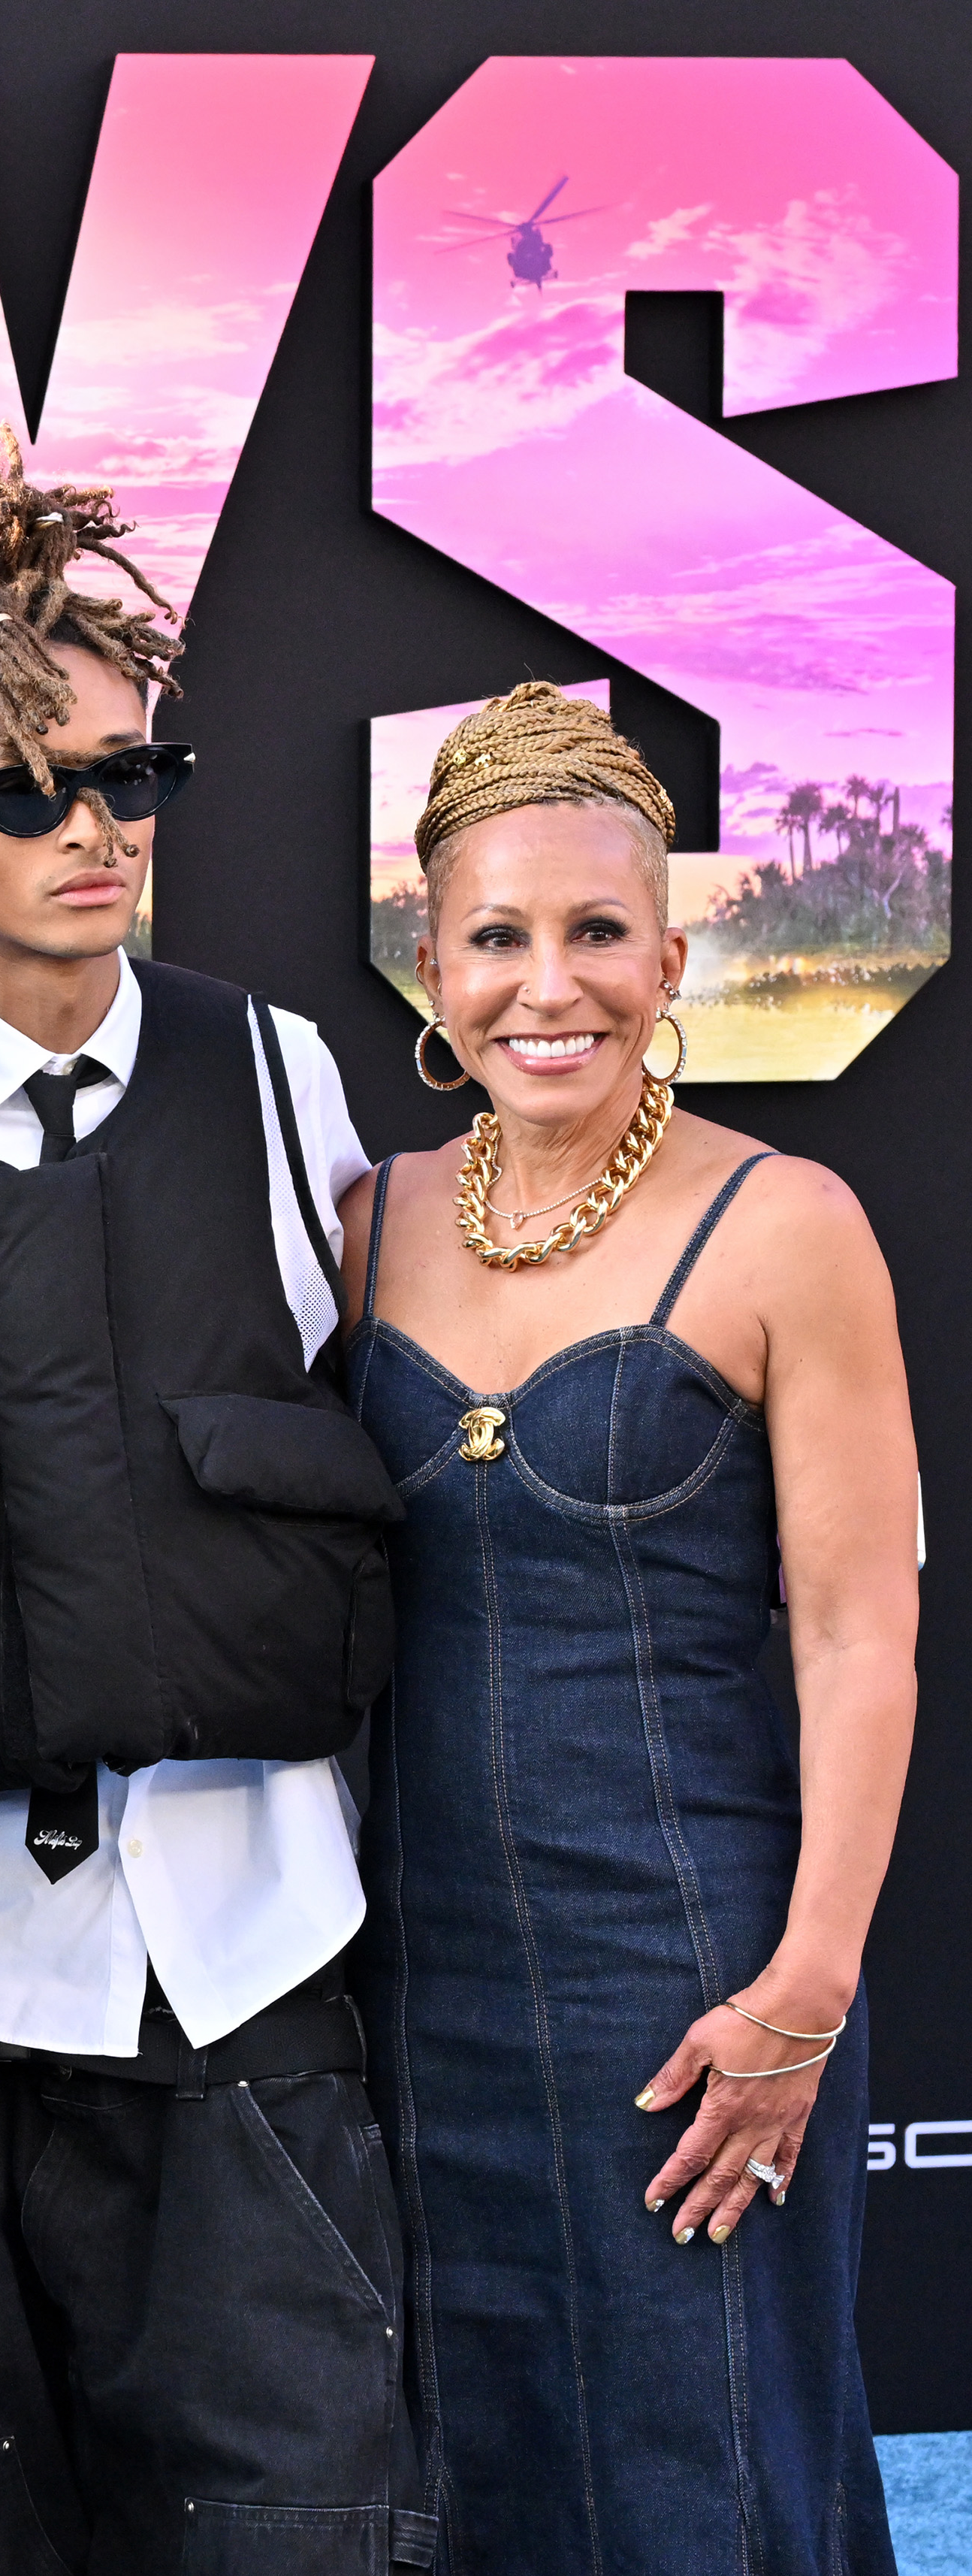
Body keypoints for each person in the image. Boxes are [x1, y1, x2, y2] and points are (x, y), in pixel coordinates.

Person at [0, 431, 427, 2570]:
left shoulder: (287, 1072)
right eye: (25, 790)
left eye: (132, 776)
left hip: (255, 1969)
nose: (91, 826)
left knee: (303, 2530)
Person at [341, 682, 912, 2574]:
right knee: (468, 2482)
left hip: (689, 1984)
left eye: (596, 931)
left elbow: (854, 1634)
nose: (547, 982)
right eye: (496, 936)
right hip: (411, 1998)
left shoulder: (785, 1223)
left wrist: (803, 1990)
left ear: (673, 952)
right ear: (427, 959)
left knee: (711, 2472)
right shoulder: (366, 1221)